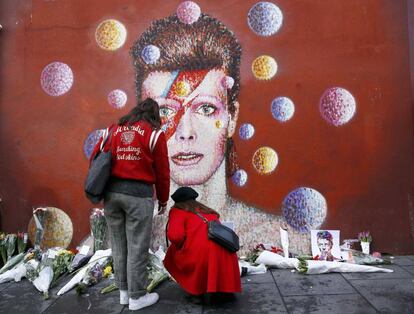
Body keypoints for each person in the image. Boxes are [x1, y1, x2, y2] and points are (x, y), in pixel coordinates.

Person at [131, 12, 310, 256]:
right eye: (164, 111)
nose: (186, 133)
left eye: (206, 109)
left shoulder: (280, 239)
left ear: (232, 117)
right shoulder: (116, 237)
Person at [90, 98, 170, 311]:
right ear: (154, 116)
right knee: (137, 246)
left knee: (118, 243)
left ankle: (124, 294)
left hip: (112, 195)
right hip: (138, 196)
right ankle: (137, 297)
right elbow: (162, 172)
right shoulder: (155, 134)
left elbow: (95, 157)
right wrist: (163, 199)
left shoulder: (113, 130)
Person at [164, 186, 241, 297]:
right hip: (227, 252)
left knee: (172, 253)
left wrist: (181, 248)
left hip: (201, 254)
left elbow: (175, 236)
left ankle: (195, 290)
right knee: (211, 251)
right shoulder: (207, 210)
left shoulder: (177, 211)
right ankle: (222, 291)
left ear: (176, 201)